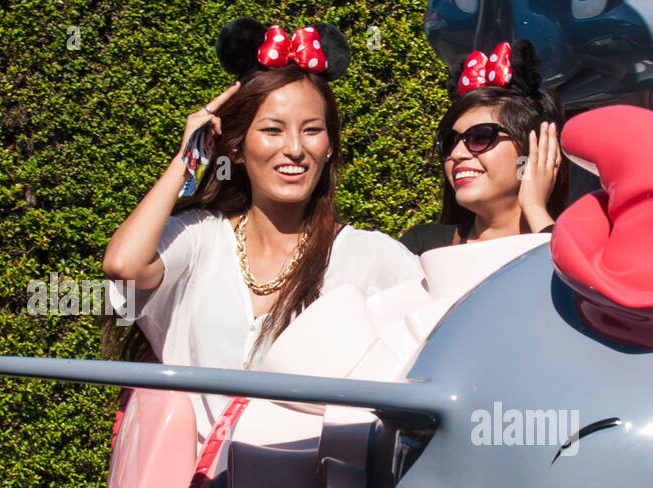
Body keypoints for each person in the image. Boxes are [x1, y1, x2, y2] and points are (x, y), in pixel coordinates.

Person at [101, 17, 423, 451]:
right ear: (236, 145)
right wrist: (188, 156)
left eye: (312, 130)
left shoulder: (374, 258)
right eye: (272, 129)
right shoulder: (198, 239)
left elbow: (425, 371)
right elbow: (123, 265)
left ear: (329, 147)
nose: (294, 148)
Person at [400, 39, 568, 255]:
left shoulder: (584, 242)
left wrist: (535, 208)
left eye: (480, 136)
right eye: (450, 141)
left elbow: (570, 282)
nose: (456, 154)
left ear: (534, 151)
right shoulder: (422, 247)